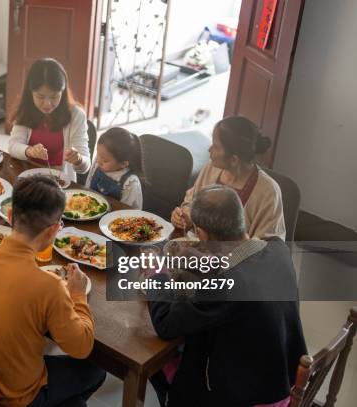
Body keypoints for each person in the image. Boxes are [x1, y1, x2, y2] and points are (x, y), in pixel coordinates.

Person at [0, 176, 105, 406]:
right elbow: (81, 347)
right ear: (54, 230)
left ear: (9, 216)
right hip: (14, 397)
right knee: (95, 371)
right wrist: (77, 295)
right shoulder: (50, 286)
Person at [148, 185, 306, 406]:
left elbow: (164, 323)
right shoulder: (278, 249)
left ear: (201, 233)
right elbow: (246, 270)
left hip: (246, 396)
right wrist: (205, 263)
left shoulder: (225, 286)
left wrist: (157, 274)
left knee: (156, 360)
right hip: (281, 378)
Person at [171, 116, 286, 239]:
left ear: (234, 160)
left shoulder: (268, 192)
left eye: (215, 147)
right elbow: (190, 202)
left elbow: (269, 246)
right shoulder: (211, 168)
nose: (209, 149)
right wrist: (186, 216)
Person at [8, 58, 91, 181]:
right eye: (40, 97)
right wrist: (29, 151)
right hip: (27, 175)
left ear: (62, 93)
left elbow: (85, 167)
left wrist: (78, 160)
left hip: (59, 181)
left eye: (54, 97)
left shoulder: (76, 115)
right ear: (31, 92)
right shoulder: (26, 109)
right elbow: (13, 146)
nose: (47, 104)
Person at [85, 127, 144, 209]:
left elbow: (130, 213)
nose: (98, 161)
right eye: (98, 154)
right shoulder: (100, 160)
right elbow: (87, 188)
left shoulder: (130, 183)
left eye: (105, 161)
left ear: (123, 164)